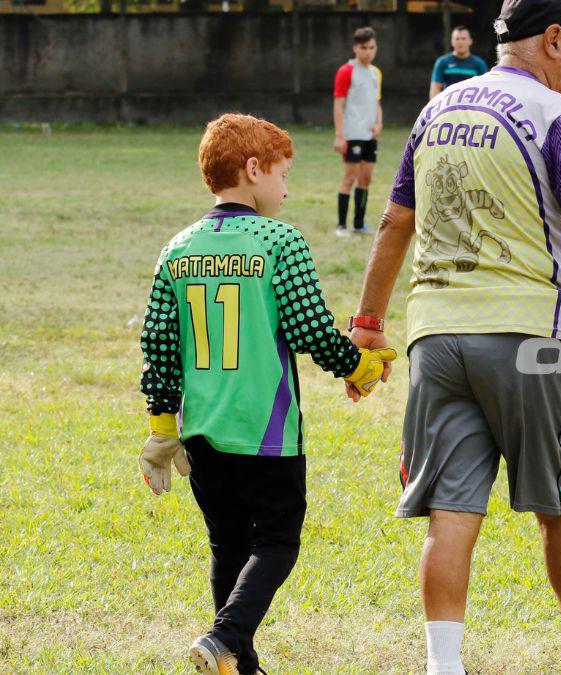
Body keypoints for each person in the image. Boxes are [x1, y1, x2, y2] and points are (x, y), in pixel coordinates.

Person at [349, 1, 561, 673]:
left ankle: (444, 667)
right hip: (528, 337)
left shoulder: (436, 111)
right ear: (553, 39)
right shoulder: (560, 115)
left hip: (436, 337)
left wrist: (368, 324)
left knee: (450, 514)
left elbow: (394, 222)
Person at [136, 113, 396, 675]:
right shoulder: (280, 240)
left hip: (202, 431)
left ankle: (239, 663)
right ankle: (224, 638)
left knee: (227, 545)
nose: (287, 188)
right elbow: (310, 330)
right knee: (277, 542)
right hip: (267, 430)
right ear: (253, 170)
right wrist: (360, 367)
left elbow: (158, 346)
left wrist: (161, 429)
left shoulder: (177, 248)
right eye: (283, 174)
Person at [333, 26, 383, 236]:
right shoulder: (346, 71)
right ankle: (341, 226)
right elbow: (338, 104)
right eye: (364, 48)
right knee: (349, 178)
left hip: (370, 136)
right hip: (352, 134)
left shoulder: (375, 73)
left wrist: (379, 123)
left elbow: (376, 102)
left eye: (372, 47)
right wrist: (339, 135)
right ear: (355, 48)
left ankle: (359, 224)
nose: (368, 52)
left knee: (366, 179)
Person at [430, 25, 490, 99]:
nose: (460, 42)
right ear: (452, 41)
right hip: (448, 104)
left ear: (470, 41)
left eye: (463, 39)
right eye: (457, 39)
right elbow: (435, 90)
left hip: (471, 105)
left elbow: (485, 89)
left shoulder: (479, 63)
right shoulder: (442, 62)